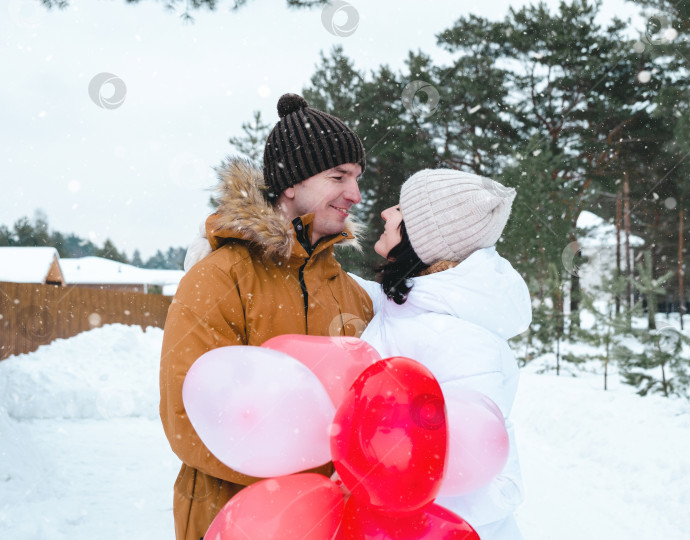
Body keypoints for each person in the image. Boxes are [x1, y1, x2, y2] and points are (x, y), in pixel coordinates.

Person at [159, 93, 374, 540]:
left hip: (330, 522)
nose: (355, 194)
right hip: (233, 518)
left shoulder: (352, 295)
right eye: (339, 176)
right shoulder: (218, 280)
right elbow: (187, 418)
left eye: (357, 178)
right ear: (291, 184)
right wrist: (311, 476)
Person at [349, 168, 531, 540]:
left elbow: (476, 474)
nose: (386, 212)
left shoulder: (462, 340)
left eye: (401, 209)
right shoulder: (410, 304)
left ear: (423, 240)